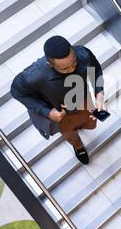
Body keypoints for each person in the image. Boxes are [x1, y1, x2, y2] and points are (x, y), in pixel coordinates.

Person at [10, 36, 105, 164]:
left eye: (74, 63)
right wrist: (47, 112)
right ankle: (78, 146)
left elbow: (96, 69)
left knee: (91, 124)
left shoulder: (83, 53)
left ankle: (80, 125)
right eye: (65, 69)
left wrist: (99, 93)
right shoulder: (34, 75)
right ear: (50, 64)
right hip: (62, 113)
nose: (72, 69)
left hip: (82, 99)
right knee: (70, 133)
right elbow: (17, 92)